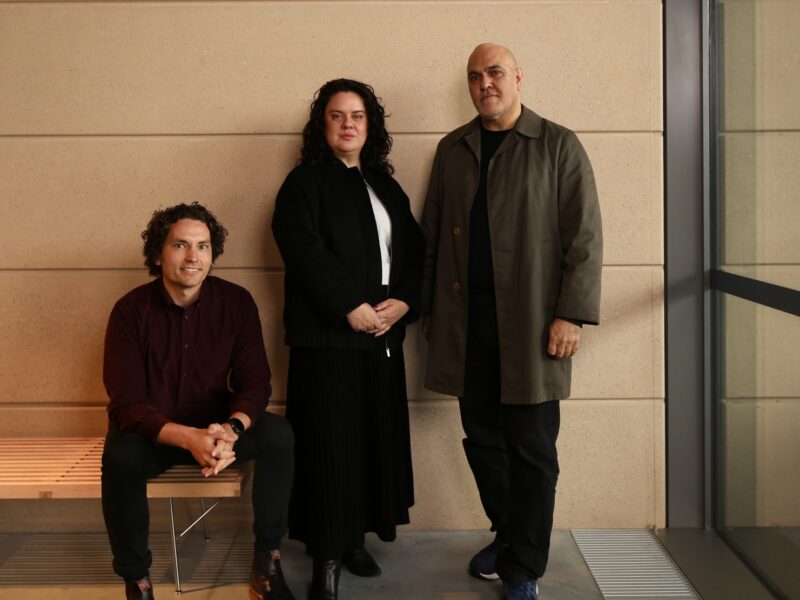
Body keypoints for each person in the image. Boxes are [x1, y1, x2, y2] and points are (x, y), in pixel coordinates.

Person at [421, 43, 603, 600]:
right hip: (466, 327)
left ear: (519, 77)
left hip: (530, 330)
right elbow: (431, 237)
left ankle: (523, 568)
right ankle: (507, 533)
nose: (485, 84)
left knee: (532, 451)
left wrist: (570, 313)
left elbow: (585, 239)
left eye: (495, 72)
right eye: (475, 77)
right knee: (482, 441)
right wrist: (427, 311)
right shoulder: (453, 149)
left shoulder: (557, 145)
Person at [272, 78, 424, 600]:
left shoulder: (385, 185)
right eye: (337, 115)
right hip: (328, 343)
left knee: (369, 446)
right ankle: (326, 562)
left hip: (381, 339)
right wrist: (349, 307)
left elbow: (415, 254)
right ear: (323, 125)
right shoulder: (304, 183)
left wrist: (404, 302)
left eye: (357, 115)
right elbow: (303, 249)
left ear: (370, 125)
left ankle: (354, 538)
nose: (348, 124)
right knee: (330, 449)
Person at [101, 202, 296, 600]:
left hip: (215, 429)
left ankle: (267, 562)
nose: (194, 257)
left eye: (204, 246)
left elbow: (256, 383)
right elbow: (126, 402)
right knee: (119, 456)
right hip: (153, 434)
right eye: (181, 245)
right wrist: (186, 438)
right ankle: (136, 579)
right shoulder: (130, 311)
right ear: (158, 253)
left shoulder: (237, 303)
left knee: (278, 435)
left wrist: (232, 429)